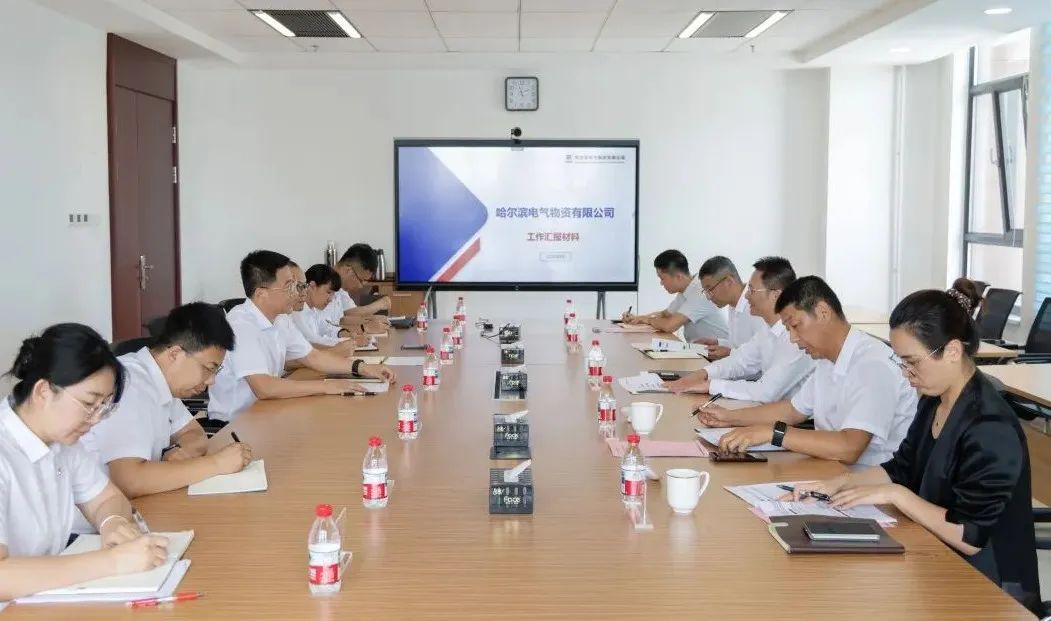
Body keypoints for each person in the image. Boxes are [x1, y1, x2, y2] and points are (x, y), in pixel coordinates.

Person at [789, 287, 1039, 612]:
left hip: (990, 587)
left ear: (952, 351)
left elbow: (970, 536)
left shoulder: (990, 425)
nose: (907, 376)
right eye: (902, 363)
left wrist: (896, 495)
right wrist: (837, 484)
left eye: (912, 363)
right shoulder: (934, 401)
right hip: (936, 557)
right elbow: (901, 468)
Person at [0, 324, 169, 600]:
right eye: (89, 404)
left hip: (42, 598)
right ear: (43, 392)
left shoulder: (62, 441)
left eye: (104, 407)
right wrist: (112, 562)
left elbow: (107, 498)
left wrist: (112, 522)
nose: (95, 420)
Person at [709, 276, 917, 466]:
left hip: (869, 481)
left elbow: (849, 448)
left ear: (823, 312)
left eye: (795, 325)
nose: (792, 338)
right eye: (788, 329)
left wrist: (774, 433)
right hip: (830, 470)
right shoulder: (828, 359)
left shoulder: (873, 364)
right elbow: (792, 411)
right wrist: (728, 417)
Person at [79, 303, 253, 499]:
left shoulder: (163, 382)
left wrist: (177, 451)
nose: (211, 380)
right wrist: (217, 464)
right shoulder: (130, 384)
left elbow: (195, 433)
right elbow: (128, 481)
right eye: (208, 368)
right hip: (100, 513)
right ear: (175, 354)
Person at [207, 250, 397, 423]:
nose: (297, 293)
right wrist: (326, 386)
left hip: (268, 412)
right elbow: (265, 388)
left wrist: (363, 368)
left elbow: (312, 356)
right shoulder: (241, 325)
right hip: (236, 424)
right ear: (261, 294)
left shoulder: (281, 318)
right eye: (289, 286)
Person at [664, 257, 814, 403]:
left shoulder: (796, 338)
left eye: (752, 290)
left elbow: (766, 392)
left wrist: (710, 385)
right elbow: (741, 360)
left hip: (787, 415)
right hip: (766, 406)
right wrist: (703, 373)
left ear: (776, 295)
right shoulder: (767, 330)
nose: (747, 295)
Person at [621, 250, 728, 343]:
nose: (661, 283)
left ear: (678, 277)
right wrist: (638, 318)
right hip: (700, 351)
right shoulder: (685, 290)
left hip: (717, 355)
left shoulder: (700, 292)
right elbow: (665, 314)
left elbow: (669, 325)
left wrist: (648, 320)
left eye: (662, 278)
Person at [694, 256, 767, 360]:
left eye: (710, 289)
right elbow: (740, 344)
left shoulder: (756, 307)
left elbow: (762, 356)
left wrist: (729, 353)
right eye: (705, 291)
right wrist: (717, 342)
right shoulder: (733, 304)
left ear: (728, 281)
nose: (708, 297)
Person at [290, 264, 368, 357]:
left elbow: (327, 329)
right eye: (328, 292)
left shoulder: (315, 309)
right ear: (312, 286)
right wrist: (350, 342)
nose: (330, 299)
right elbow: (312, 341)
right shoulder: (297, 311)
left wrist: (345, 334)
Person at [333, 244, 391, 318]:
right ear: (349, 270)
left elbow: (351, 311)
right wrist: (380, 304)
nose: (360, 286)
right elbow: (348, 316)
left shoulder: (340, 289)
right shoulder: (324, 283)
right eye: (361, 280)